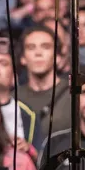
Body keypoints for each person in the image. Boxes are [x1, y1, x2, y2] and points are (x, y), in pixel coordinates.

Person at [14, 25, 71, 153]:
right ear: (23, 58)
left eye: (45, 47)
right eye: (31, 47)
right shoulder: (13, 98)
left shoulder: (74, 94)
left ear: (57, 57)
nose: (38, 53)